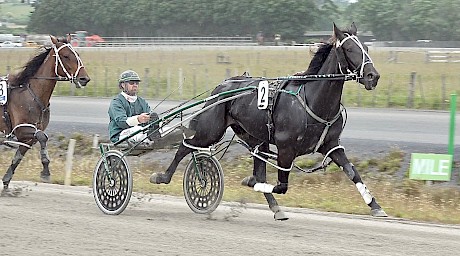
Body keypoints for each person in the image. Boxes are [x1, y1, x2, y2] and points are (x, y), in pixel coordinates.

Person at [108, 69, 160, 144]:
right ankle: (152, 138)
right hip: (120, 134)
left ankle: (155, 137)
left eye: (137, 83)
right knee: (138, 130)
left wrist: (157, 122)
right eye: (131, 83)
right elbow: (121, 122)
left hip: (142, 131)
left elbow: (150, 118)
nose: (135, 85)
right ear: (123, 85)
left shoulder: (142, 102)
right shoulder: (116, 102)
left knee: (163, 129)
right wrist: (138, 119)